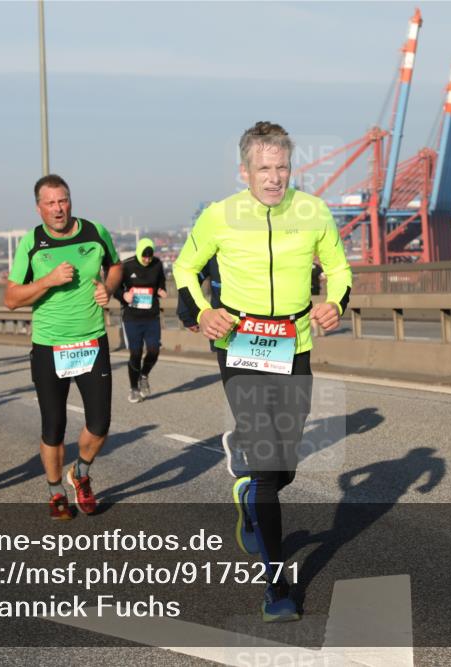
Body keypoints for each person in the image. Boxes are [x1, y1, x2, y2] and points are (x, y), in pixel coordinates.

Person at [173, 121, 352, 622]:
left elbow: (338, 269)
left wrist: (335, 302)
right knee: (268, 465)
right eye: (264, 169)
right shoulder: (220, 216)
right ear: (244, 170)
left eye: (282, 168)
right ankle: (276, 585)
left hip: (294, 343)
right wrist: (201, 310)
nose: (274, 178)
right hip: (242, 344)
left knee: (285, 465)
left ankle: (249, 492)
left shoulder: (312, 210)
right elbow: (185, 268)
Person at [4, 174, 122, 520]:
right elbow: (11, 299)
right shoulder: (32, 243)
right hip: (49, 347)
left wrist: (108, 288)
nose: (58, 208)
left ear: (71, 200)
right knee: (53, 426)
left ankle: (80, 474)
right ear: (39, 207)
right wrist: (48, 281)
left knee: (100, 424)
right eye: (51, 203)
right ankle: (56, 491)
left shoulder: (95, 231)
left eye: (64, 200)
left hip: (91, 341)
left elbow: (114, 265)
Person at [115, 238, 167, 402]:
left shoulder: (157, 264)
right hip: (132, 318)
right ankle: (134, 388)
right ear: (138, 253)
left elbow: (161, 284)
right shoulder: (127, 265)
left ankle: (144, 375)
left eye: (149, 257)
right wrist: (124, 295)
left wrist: (162, 291)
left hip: (151, 316)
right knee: (135, 353)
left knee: (154, 350)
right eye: (144, 257)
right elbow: (115, 287)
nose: (147, 260)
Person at [176, 255, 222, 352]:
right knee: (228, 364)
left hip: (258, 326)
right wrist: (187, 313)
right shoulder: (215, 249)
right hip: (222, 326)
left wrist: (186, 313)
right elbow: (189, 274)